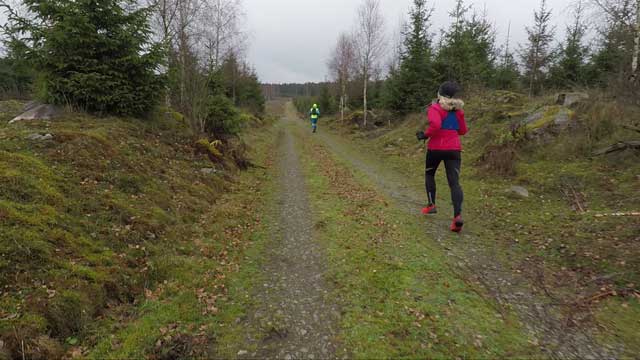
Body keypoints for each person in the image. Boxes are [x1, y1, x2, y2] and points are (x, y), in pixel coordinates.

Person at [416, 81, 468, 232]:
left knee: (429, 174)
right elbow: (463, 131)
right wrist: (451, 131)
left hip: (436, 149)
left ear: (439, 93)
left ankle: (431, 205)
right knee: (454, 183)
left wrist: (424, 135)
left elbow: (436, 125)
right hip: (454, 150)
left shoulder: (435, 108)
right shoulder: (458, 111)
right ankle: (457, 217)